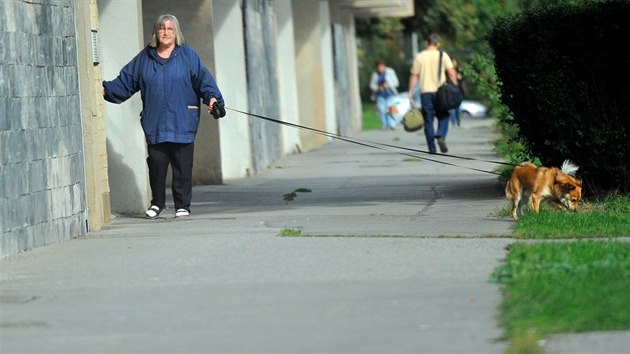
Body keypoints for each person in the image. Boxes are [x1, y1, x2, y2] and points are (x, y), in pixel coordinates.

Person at [103, 14, 224, 219]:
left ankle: (182, 205)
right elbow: (126, 81)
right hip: (156, 120)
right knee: (157, 162)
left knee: (182, 164)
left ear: (176, 33)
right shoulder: (145, 58)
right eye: (162, 28)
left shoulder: (188, 55)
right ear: (156, 32)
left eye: (170, 29)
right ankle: (157, 203)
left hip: (183, 118)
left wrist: (213, 99)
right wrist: (104, 89)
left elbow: (204, 81)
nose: (166, 32)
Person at [408, 33, 458, 153]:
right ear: (438, 44)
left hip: (425, 92)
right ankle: (440, 135)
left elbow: (414, 76)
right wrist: (455, 86)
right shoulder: (442, 55)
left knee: (428, 120)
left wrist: (410, 92)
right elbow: (451, 73)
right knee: (444, 115)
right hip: (441, 92)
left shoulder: (419, 56)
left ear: (427, 43)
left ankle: (431, 147)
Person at [369, 59, 399, 130]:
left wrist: (388, 85)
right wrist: (378, 88)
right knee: (382, 110)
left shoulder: (390, 71)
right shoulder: (375, 74)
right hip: (380, 95)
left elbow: (396, 82)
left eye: (381, 66)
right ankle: (384, 125)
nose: (380, 68)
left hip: (390, 94)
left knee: (390, 109)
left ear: (384, 66)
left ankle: (392, 124)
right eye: (378, 67)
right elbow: (372, 85)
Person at [449, 57, 466, 127]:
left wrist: (459, 77)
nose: (453, 63)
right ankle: (453, 123)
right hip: (450, 91)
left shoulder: (459, 70)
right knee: (451, 108)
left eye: (454, 62)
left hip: (458, 90)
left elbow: (462, 78)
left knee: (458, 108)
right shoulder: (448, 70)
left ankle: (458, 121)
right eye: (452, 62)